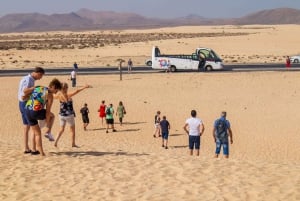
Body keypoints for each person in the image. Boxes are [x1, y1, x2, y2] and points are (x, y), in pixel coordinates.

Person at [24, 78, 62, 156]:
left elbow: (26, 93)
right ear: (54, 86)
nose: (56, 92)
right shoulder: (50, 95)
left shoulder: (38, 87)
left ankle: (39, 151)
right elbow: (48, 111)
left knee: (36, 132)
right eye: (57, 90)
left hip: (27, 110)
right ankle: (48, 132)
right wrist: (48, 122)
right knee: (52, 116)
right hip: (35, 111)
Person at [54, 83, 91, 147]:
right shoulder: (68, 95)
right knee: (72, 131)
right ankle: (73, 144)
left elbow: (52, 95)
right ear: (66, 88)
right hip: (69, 115)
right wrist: (84, 87)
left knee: (61, 129)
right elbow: (77, 91)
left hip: (61, 115)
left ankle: (56, 142)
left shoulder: (58, 96)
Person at [18, 67, 45, 154]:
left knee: (26, 126)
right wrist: (35, 88)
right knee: (32, 125)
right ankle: (33, 149)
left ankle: (26, 147)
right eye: (40, 76)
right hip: (25, 103)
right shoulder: (29, 79)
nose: (40, 78)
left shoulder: (27, 78)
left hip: (23, 103)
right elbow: (25, 91)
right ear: (37, 73)